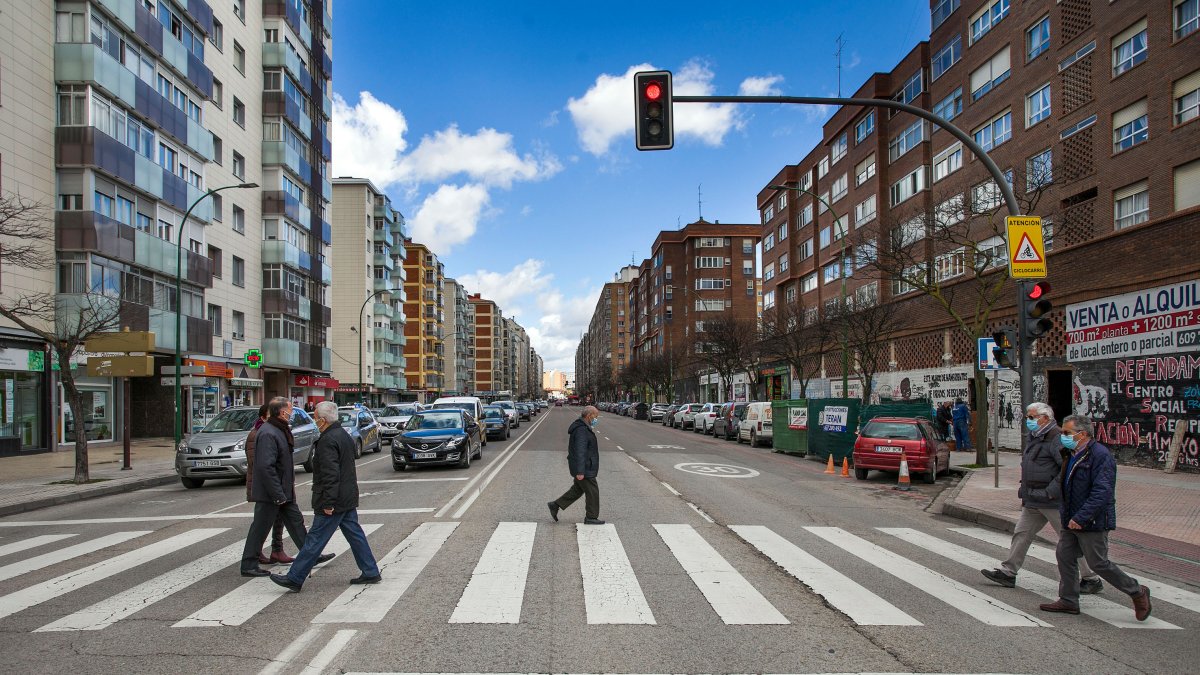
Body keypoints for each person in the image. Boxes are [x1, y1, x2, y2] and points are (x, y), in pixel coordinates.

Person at [1039, 415, 1152, 621]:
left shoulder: (1100, 456)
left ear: (1082, 434)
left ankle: (1137, 591)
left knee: (1098, 563)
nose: (1062, 436)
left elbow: (1103, 491)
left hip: (1091, 521)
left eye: (1067, 433)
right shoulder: (1070, 453)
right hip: (1070, 518)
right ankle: (1068, 600)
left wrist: (1082, 517)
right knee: (1064, 556)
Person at [981, 403, 1102, 593]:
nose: (1028, 421)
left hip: (1053, 501)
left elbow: (1065, 468)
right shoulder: (1035, 437)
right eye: (1028, 417)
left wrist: (1050, 491)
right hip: (1034, 499)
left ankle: (1091, 578)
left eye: (1031, 417)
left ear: (1045, 418)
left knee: (1069, 539)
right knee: (1021, 533)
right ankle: (1008, 572)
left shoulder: (1057, 438)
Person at [271, 401, 380, 592]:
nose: (314, 420)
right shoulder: (343, 435)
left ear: (322, 420)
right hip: (346, 497)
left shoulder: (328, 440)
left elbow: (331, 475)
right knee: (355, 535)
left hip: (333, 500)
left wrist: (328, 502)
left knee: (315, 539)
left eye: (315, 417)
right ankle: (370, 570)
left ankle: (295, 577)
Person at [240, 397, 332, 577]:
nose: (291, 414)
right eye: (290, 410)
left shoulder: (278, 429)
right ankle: (248, 564)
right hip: (272, 492)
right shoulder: (269, 433)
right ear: (282, 412)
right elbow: (265, 467)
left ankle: (310, 555)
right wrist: (277, 493)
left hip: (282, 490)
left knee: (296, 523)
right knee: (260, 527)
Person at [245, 404, 292, 565]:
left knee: (282, 520)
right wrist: (277, 491)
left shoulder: (274, 431)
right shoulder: (262, 434)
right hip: (267, 488)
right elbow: (260, 465)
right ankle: (252, 558)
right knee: (261, 524)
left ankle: (278, 550)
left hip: (277, 487)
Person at [547, 405, 603, 525]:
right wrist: (580, 471)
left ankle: (555, 505)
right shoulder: (582, 430)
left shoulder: (583, 427)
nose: (596, 419)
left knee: (577, 490)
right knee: (593, 492)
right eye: (595, 416)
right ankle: (591, 517)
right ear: (589, 416)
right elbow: (580, 451)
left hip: (584, 466)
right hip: (585, 467)